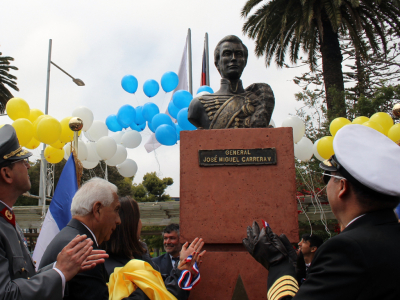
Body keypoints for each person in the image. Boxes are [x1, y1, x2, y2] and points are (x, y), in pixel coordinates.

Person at [243, 124, 400, 299]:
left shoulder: (346, 251)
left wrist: (277, 266)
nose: (325, 184)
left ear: (342, 186)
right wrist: (297, 270)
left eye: (328, 176)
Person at [0, 124, 106, 300]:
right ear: (6, 174)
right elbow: (6, 295)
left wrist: (64, 265)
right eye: (22, 161)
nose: (27, 166)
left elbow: (26, 279)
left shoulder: (8, 221)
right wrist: (59, 272)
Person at [39, 177, 121, 300]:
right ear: (97, 210)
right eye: (116, 210)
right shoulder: (82, 249)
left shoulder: (70, 238)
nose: (118, 220)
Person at [102, 197, 198, 300]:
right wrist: (181, 272)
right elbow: (159, 293)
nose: (141, 224)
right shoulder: (103, 267)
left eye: (172, 238)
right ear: (130, 224)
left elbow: (164, 290)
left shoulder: (143, 258)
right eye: (139, 218)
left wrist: (184, 269)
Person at [188, 35, 275, 129]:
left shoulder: (258, 101)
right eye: (227, 54)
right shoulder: (198, 104)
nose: (233, 58)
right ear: (217, 63)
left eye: (238, 54)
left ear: (244, 62)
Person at [152, 224, 191, 300]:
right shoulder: (155, 263)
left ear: (181, 240)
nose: (167, 242)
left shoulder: (190, 261)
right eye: (165, 238)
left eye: (172, 238)